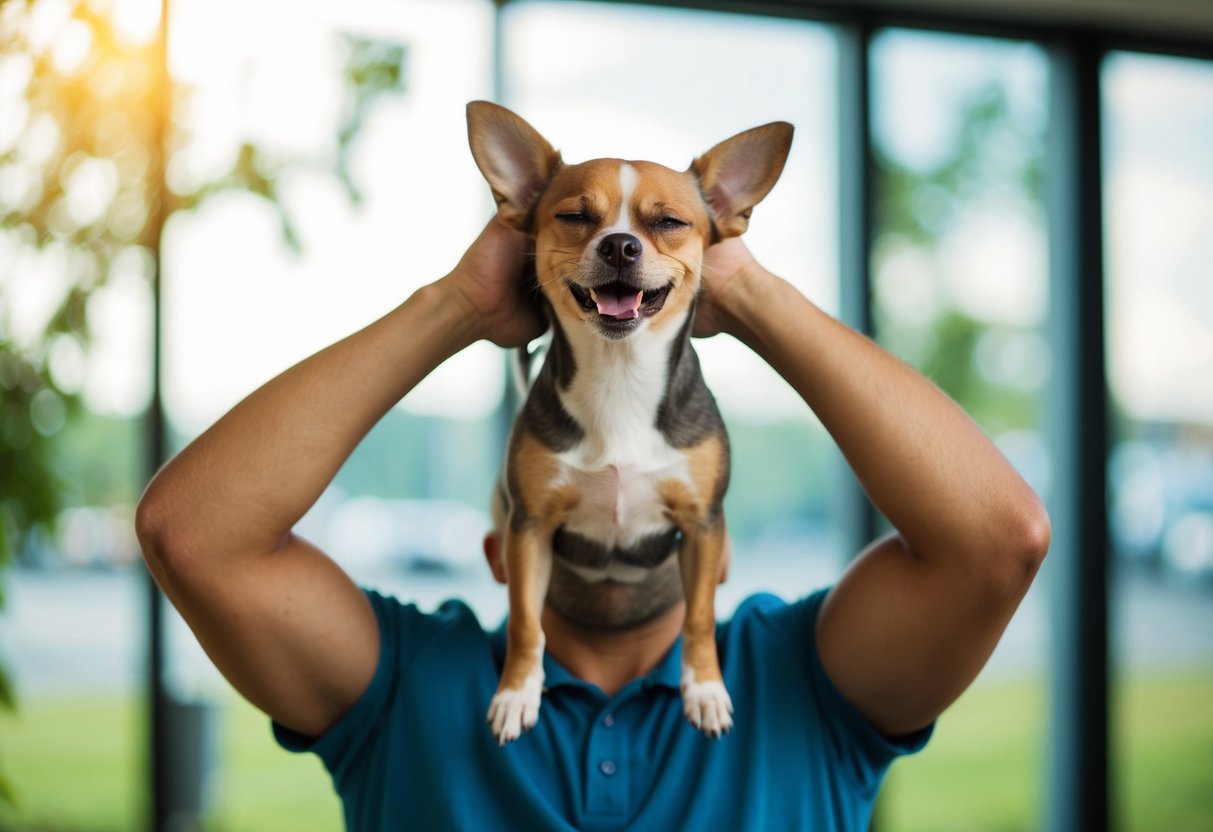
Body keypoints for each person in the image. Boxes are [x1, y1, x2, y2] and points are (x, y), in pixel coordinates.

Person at [135, 218, 1050, 831]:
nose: (615, 487)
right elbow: (192, 533)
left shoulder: (803, 684)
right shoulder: (408, 687)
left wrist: (744, 291)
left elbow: (998, 540)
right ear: (501, 551)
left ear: (717, 553)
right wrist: (459, 305)